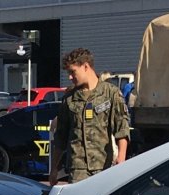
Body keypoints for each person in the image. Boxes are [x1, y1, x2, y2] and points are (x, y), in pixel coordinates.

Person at [49, 47, 130, 183]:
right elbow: (61, 137)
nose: (70, 77)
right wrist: (54, 169)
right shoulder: (69, 98)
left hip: (104, 167)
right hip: (78, 169)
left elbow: (122, 128)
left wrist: (121, 159)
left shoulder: (110, 93)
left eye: (73, 72)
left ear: (86, 66)